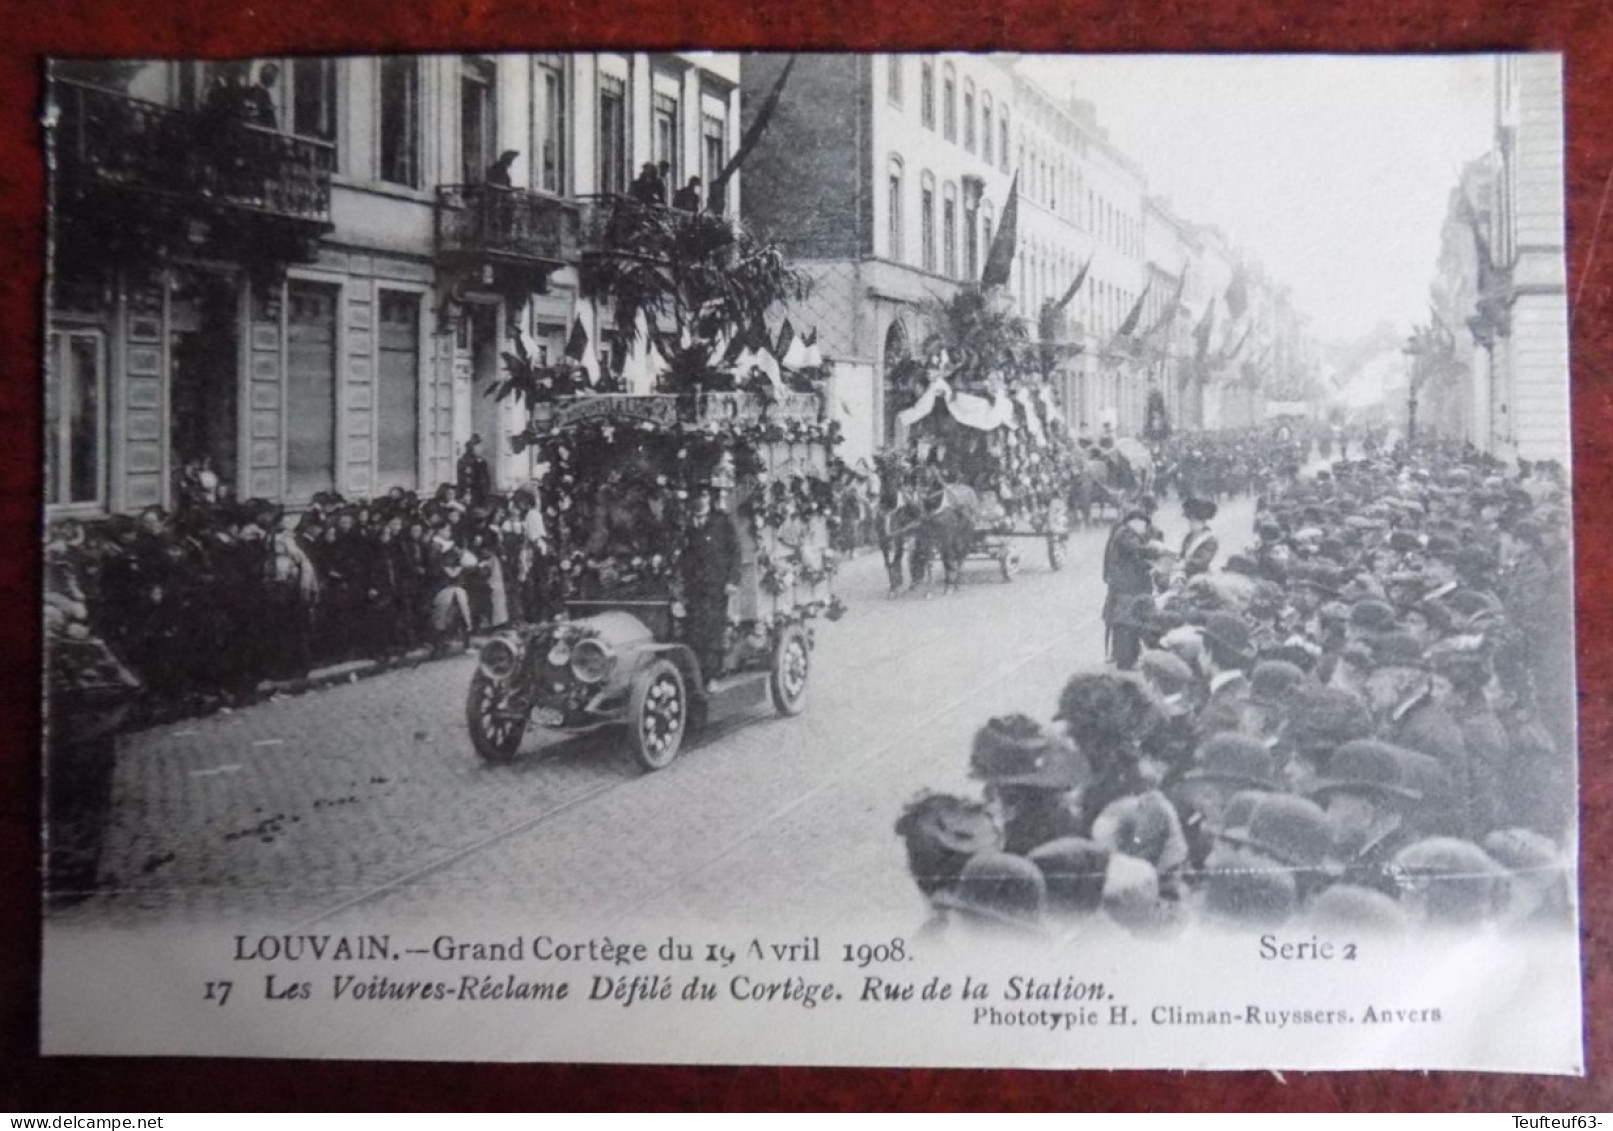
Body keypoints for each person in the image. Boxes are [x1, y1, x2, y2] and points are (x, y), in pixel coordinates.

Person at [680, 487, 741, 689]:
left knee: (714, 629)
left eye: (704, 496)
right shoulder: (687, 524)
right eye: (696, 496)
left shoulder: (721, 521)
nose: (700, 500)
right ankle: (696, 677)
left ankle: (712, 677)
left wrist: (732, 580)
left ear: (709, 498)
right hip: (695, 587)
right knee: (695, 630)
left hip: (717, 586)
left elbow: (735, 552)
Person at [1103, 506, 1163, 670]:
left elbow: (1134, 557)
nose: (1145, 528)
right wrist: (1157, 552)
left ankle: (1126, 657)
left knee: (1127, 622)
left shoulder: (1125, 532)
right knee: (1128, 622)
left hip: (1126, 585)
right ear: (1135, 522)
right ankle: (1126, 660)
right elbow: (1136, 550)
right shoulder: (1127, 533)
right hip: (1128, 587)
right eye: (1144, 524)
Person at [457, 435, 491, 508]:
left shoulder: (481, 462)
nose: (481, 449)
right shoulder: (465, 461)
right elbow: (466, 479)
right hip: (471, 495)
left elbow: (485, 479)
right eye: (477, 446)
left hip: (481, 494)